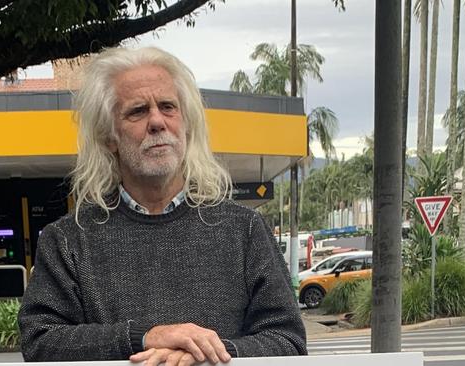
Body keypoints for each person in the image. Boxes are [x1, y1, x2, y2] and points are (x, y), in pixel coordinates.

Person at [18, 47, 307, 366]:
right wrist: (143, 336)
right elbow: (40, 340)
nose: (157, 121)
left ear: (186, 124)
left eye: (168, 107)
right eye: (137, 111)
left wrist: (207, 354)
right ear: (109, 136)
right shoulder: (68, 241)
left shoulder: (245, 229)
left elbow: (288, 340)